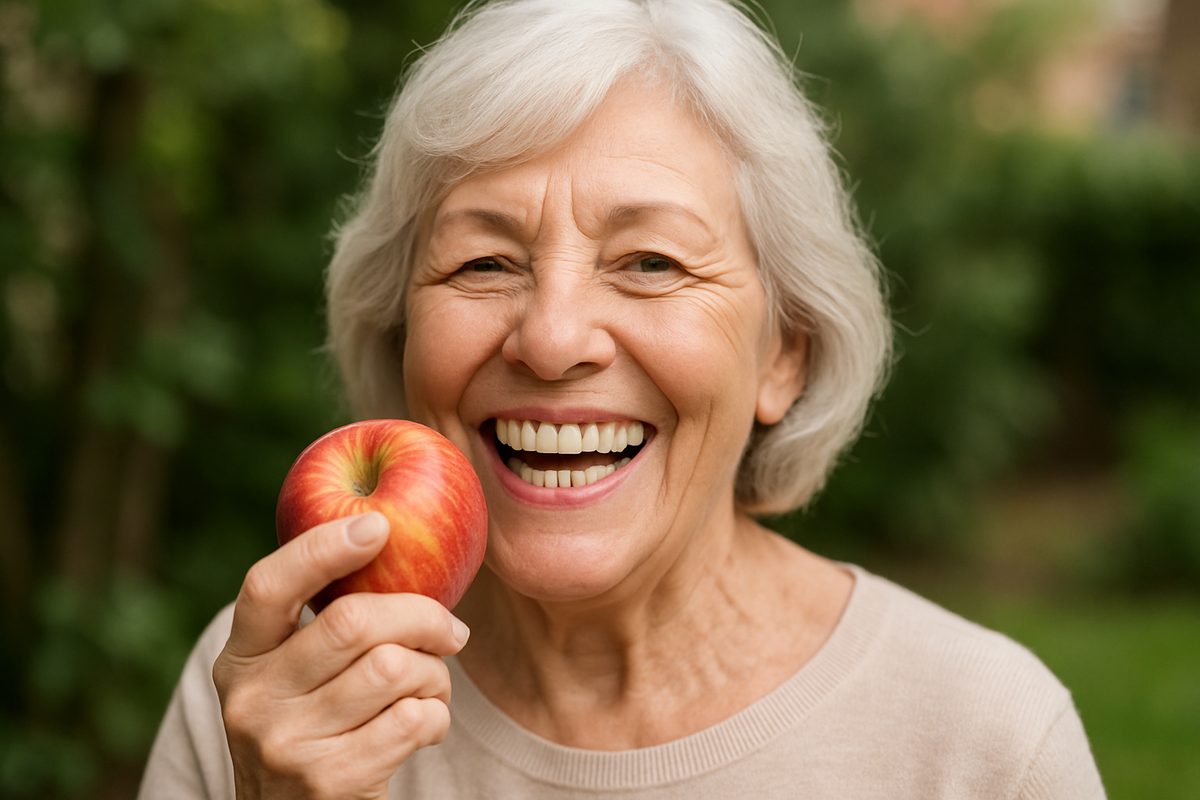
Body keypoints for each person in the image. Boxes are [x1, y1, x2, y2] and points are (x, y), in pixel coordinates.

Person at [139, 0, 1106, 797]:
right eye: (483, 261)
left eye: (651, 261)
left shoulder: (985, 743)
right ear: (403, 339)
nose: (553, 340)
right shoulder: (269, 694)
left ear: (784, 356)